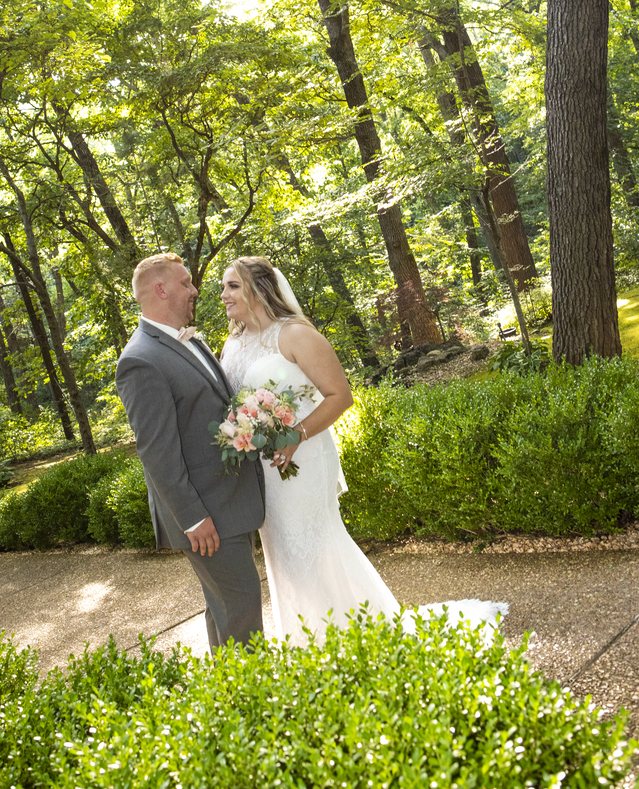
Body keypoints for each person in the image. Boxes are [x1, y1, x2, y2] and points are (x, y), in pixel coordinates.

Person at [220, 256, 506, 645]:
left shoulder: (295, 334)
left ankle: (352, 638)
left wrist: (295, 435)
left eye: (232, 286)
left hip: (301, 460)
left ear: (260, 289)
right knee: (284, 557)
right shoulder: (233, 343)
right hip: (264, 470)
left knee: (314, 548)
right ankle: (310, 640)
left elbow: (340, 396)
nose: (223, 295)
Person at [115, 252, 265, 651]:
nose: (195, 290)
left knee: (227, 608)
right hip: (206, 514)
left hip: (228, 503)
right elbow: (155, 452)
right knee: (241, 607)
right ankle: (252, 701)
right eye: (186, 283)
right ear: (161, 290)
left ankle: (228, 698)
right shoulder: (140, 360)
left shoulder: (186, 338)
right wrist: (193, 518)